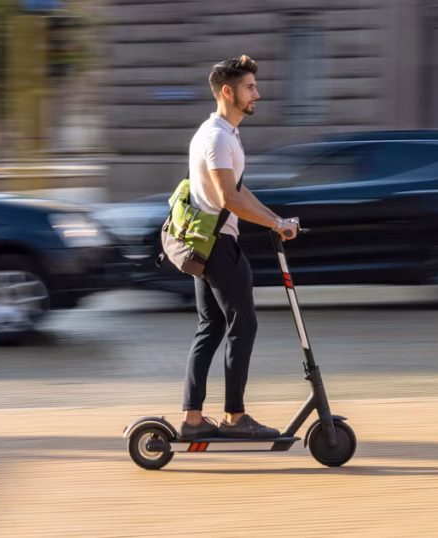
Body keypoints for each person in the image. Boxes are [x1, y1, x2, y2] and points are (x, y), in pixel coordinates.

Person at [179, 55, 299, 440]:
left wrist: (275, 220)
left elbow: (240, 188)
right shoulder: (216, 137)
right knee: (242, 324)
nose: (257, 94)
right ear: (227, 91)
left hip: (208, 242)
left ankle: (193, 421)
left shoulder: (222, 134)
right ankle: (234, 418)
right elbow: (228, 198)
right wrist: (275, 224)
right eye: (250, 87)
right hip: (218, 245)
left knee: (211, 326)